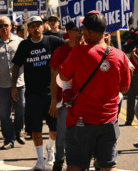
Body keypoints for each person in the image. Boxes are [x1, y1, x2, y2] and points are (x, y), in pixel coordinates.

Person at [59, 11, 131, 171]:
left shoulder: (79, 52)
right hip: (108, 122)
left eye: (83, 28)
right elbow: (125, 88)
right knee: (108, 166)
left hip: (80, 122)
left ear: (89, 33)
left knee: (75, 166)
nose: (81, 31)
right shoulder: (120, 56)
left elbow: (63, 76)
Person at [11, 16, 65, 170]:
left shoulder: (52, 41)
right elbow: (16, 66)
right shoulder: (24, 45)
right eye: (32, 26)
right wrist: (14, 86)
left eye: (38, 26)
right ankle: (40, 160)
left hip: (52, 93)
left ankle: (50, 149)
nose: (36, 29)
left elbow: (69, 48)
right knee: (35, 128)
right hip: (33, 93)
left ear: (44, 27)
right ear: (28, 29)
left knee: (54, 129)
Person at [0, 16, 25, 149]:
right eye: (0, 26)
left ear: (11, 26)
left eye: (6, 25)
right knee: (4, 113)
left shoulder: (20, 42)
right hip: (1, 85)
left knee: (21, 108)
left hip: (19, 83)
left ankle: (18, 131)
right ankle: (8, 139)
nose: (4, 28)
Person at [48, 21, 82, 170]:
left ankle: (83, 159)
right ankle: (59, 159)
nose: (80, 32)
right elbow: (53, 77)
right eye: (77, 30)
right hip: (64, 100)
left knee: (83, 132)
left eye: (82, 29)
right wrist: (54, 100)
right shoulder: (59, 51)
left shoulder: (88, 50)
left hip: (84, 100)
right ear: (69, 32)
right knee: (61, 132)